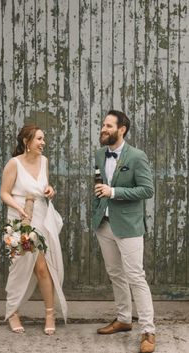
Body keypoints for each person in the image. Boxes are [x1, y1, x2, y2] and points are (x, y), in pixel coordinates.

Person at [92, 110, 156, 353]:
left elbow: (147, 190)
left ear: (122, 129)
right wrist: (98, 208)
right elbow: (98, 182)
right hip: (104, 224)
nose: (103, 129)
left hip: (128, 227)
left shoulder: (137, 156)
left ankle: (148, 330)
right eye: (103, 125)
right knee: (115, 274)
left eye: (108, 125)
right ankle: (124, 319)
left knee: (135, 277)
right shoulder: (100, 153)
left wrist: (114, 192)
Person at [0, 123, 67, 335]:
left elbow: (44, 187)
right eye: (39, 139)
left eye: (43, 138)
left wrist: (50, 190)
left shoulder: (44, 161)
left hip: (40, 216)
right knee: (20, 267)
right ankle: (13, 312)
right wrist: (19, 208)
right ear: (26, 142)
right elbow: (4, 192)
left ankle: (50, 314)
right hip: (20, 220)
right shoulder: (14, 164)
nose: (43, 143)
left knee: (43, 267)